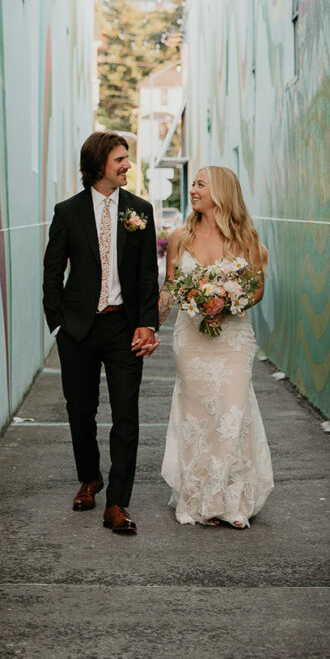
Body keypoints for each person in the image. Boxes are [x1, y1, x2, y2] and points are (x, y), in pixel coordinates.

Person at [42, 132, 159, 535]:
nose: (127, 165)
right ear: (98, 166)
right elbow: (52, 271)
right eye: (120, 160)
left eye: (127, 159)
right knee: (80, 410)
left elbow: (147, 274)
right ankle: (90, 478)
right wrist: (56, 322)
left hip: (123, 326)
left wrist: (148, 323)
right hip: (77, 327)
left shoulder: (139, 210)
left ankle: (117, 503)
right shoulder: (68, 212)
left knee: (126, 415)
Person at [159, 166, 274, 528]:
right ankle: (200, 499)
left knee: (231, 414)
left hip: (233, 340)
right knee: (198, 417)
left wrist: (227, 302)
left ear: (221, 192)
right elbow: (170, 287)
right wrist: (150, 327)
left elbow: (256, 290)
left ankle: (233, 501)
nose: (193, 190)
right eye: (192, 184)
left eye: (200, 185)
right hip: (191, 340)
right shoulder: (180, 238)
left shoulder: (245, 239)